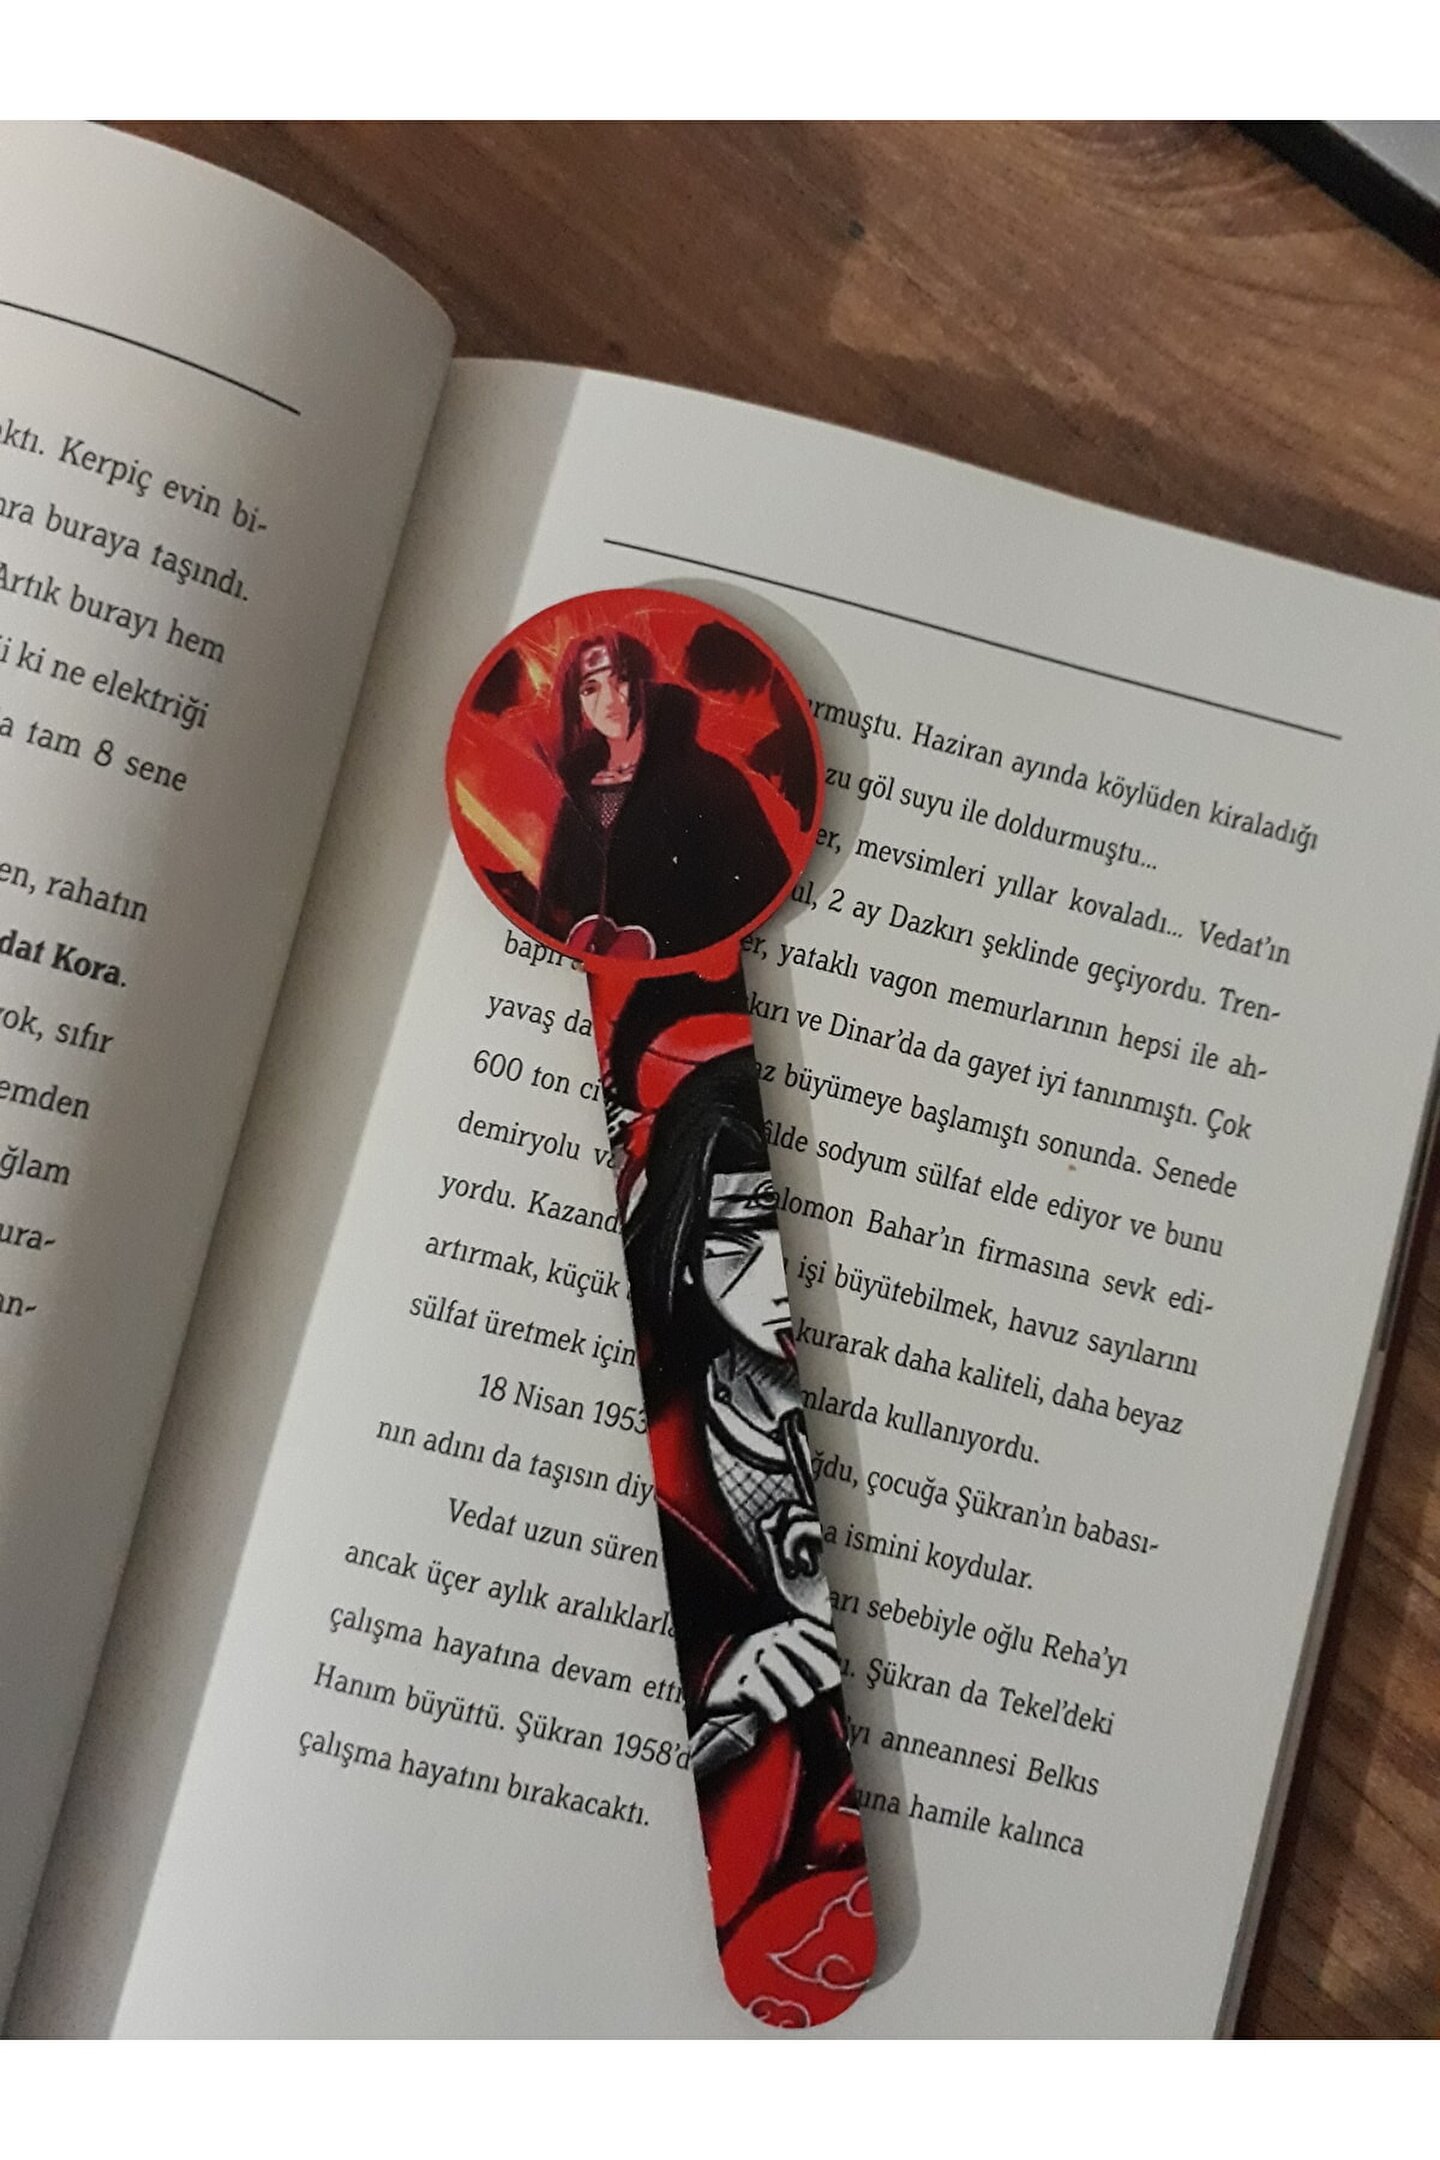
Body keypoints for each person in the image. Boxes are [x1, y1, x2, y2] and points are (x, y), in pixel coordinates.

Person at [620, 1039, 870, 2015]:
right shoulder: (667, 1435)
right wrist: (727, 1679)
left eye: (795, 1218)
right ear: (685, 1243)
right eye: (740, 1232)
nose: (783, 1271)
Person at [535, 630, 792, 959]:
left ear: (647, 683)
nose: (609, 698)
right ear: (578, 704)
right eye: (590, 688)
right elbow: (553, 908)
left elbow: (763, 889)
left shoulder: (709, 777)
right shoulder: (577, 793)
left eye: (622, 678)